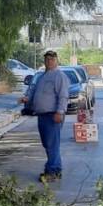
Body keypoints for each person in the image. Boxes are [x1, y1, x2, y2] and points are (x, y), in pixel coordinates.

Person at [19, 50, 69, 182]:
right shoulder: (42, 76)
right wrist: (27, 100)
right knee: (48, 144)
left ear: (56, 61)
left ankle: (51, 171)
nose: (49, 62)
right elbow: (35, 92)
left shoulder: (59, 76)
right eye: (47, 59)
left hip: (53, 115)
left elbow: (63, 96)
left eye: (52, 59)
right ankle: (56, 170)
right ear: (44, 61)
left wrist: (60, 112)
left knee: (52, 144)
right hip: (42, 115)